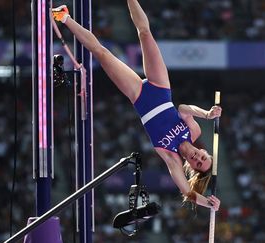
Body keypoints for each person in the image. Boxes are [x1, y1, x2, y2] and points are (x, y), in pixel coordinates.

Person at [52, 0, 221, 211]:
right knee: (145, 33)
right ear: (205, 152)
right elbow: (184, 109)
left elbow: (186, 191)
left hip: (139, 96)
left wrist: (207, 203)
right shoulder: (193, 131)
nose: (198, 158)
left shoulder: (172, 158)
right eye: (203, 157)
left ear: (193, 168)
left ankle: (64, 17)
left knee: (102, 53)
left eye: (198, 163)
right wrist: (207, 113)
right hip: (161, 88)